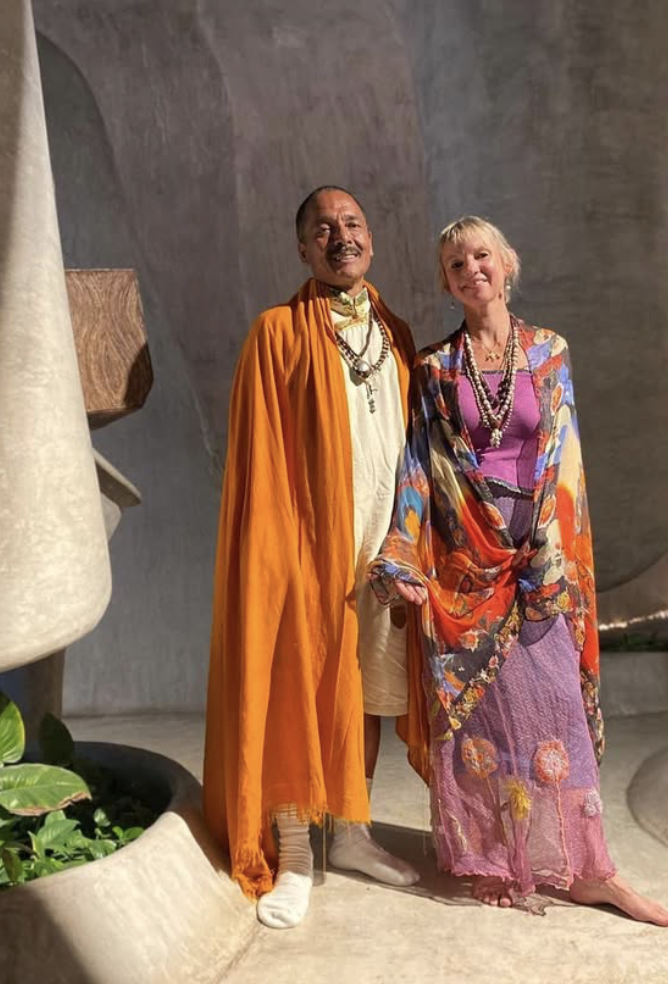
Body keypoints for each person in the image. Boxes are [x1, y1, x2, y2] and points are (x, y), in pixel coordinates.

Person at [368, 215, 668, 924]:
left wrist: (548, 553)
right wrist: (398, 552)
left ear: (508, 264)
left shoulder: (549, 351)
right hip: (469, 568)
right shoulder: (437, 369)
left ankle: (592, 870)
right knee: (489, 722)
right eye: (453, 263)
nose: (470, 268)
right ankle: (502, 861)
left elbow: (563, 454)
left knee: (558, 708)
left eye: (481, 255)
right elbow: (419, 465)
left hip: (541, 561)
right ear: (446, 282)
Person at [203, 187, 422, 930]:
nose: (341, 236)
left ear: (371, 239)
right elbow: (261, 459)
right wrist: (282, 557)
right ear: (302, 249)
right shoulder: (276, 333)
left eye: (353, 223)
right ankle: (296, 851)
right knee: (299, 685)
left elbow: (416, 457)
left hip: (379, 549)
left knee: (366, 693)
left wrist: (407, 540)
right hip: (304, 548)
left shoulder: (397, 333)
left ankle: (352, 835)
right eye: (322, 229)